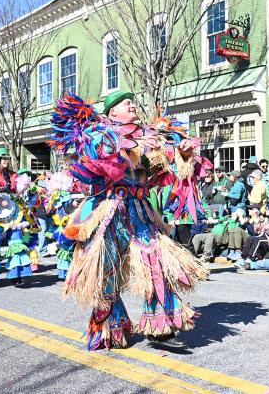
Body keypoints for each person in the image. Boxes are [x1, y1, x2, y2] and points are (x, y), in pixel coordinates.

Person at [50, 90, 209, 350]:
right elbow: (98, 161)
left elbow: (165, 169)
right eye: (127, 103)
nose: (133, 105)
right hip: (110, 212)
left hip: (141, 210)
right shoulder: (99, 134)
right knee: (107, 270)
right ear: (113, 111)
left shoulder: (149, 136)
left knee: (155, 262)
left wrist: (182, 154)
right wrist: (128, 151)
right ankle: (110, 328)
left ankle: (161, 325)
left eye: (133, 102)